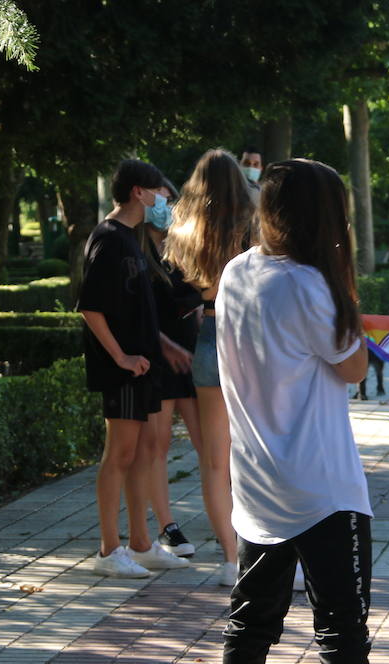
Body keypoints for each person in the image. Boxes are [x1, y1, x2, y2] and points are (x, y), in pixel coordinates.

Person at [213, 158, 382, 664]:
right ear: (327, 218)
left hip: (256, 480)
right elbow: (355, 368)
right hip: (322, 485)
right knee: (341, 624)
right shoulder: (313, 285)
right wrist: (346, 291)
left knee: (251, 619)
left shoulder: (236, 274)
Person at [77, 159, 195, 577]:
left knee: (143, 455)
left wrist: (163, 346)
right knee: (120, 454)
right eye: (161, 193)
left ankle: (142, 543)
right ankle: (109, 550)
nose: (166, 201)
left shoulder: (133, 240)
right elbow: (90, 307)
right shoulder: (108, 239)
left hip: (146, 367)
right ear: (138, 193)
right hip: (125, 371)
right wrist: (120, 357)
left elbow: (136, 313)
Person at [165, 150, 255, 588]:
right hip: (249, 337)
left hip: (208, 333)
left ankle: (229, 555)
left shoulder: (184, 229)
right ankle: (261, 548)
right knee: (254, 452)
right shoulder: (252, 224)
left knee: (215, 460)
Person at [135, 178, 203, 560]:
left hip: (193, 359)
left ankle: (231, 520)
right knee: (156, 444)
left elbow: (198, 304)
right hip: (157, 359)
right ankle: (167, 526)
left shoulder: (182, 247)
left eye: (170, 198)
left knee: (208, 443)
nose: (167, 204)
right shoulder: (135, 251)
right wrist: (164, 345)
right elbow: (136, 314)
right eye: (161, 196)